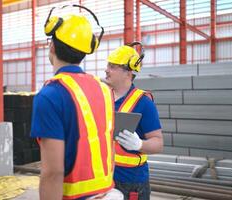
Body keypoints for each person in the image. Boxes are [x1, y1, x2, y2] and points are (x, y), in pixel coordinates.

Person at [30, 5, 123, 200]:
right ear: (85, 50)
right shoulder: (104, 89)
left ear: (52, 46)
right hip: (107, 192)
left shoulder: (50, 95)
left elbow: (53, 173)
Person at [104, 43, 164, 200]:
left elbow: (158, 143)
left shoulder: (143, 103)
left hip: (132, 183)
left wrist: (140, 145)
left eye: (112, 66)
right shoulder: (102, 98)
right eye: (108, 65)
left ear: (128, 72)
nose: (106, 70)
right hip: (103, 179)